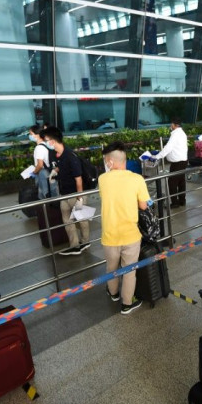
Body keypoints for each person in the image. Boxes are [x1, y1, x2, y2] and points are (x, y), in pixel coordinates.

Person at [99, 142, 150, 315]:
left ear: (111, 162)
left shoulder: (102, 179)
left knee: (111, 268)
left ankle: (112, 293)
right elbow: (144, 205)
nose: (106, 164)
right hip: (130, 235)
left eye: (106, 160)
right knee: (129, 271)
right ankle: (127, 303)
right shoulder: (137, 179)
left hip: (110, 235)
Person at [41, 126, 91, 256]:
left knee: (82, 219)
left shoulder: (70, 156)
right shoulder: (57, 154)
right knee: (67, 221)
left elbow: (78, 179)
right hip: (64, 194)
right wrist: (54, 172)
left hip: (76, 193)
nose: (45, 143)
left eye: (46, 140)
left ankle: (85, 242)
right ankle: (74, 246)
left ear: (52, 141)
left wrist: (80, 198)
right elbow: (60, 167)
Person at [151, 118, 188, 208]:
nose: (170, 126)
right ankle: (182, 201)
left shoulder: (175, 135)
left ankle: (175, 203)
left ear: (175, 125)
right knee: (181, 181)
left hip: (177, 163)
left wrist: (156, 157)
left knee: (172, 183)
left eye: (171, 124)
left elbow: (168, 148)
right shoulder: (182, 133)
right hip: (183, 161)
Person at [28, 124, 57, 199]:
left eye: (31, 134)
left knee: (44, 196)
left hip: (42, 175)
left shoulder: (39, 148)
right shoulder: (46, 144)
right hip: (50, 172)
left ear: (37, 135)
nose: (30, 136)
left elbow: (40, 165)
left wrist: (34, 173)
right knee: (52, 194)